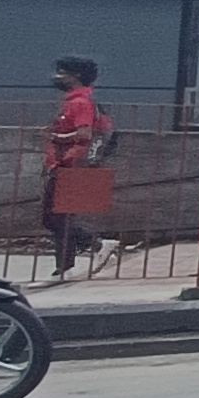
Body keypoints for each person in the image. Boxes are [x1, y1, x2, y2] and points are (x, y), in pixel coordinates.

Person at [44, 56, 113, 277]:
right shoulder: (76, 100)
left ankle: (97, 244)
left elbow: (84, 133)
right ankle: (65, 267)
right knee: (62, 216)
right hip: (67, 163)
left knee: (53, 217)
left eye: (63, 73)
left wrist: (57, 136)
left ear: (76, 77)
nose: (58, 77)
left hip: (71, 163)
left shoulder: (80, 102)